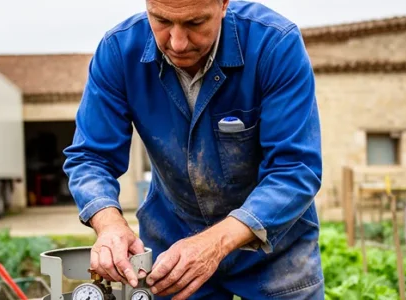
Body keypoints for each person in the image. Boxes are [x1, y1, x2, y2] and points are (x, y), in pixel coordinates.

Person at [62, 0, 323, 299]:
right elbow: (91, 157)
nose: (177, 43)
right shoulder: (119, 52)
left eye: (195, 23)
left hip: (276, 254)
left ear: (224, 4)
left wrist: (215, 243)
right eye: (161, 20)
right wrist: (108, 223)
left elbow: (294, 169)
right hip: (173, 252)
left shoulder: (274, 45)